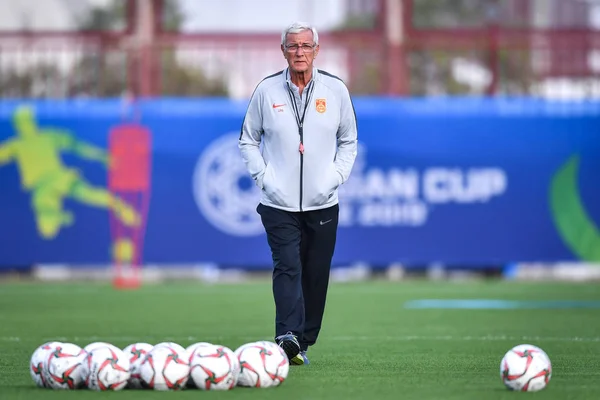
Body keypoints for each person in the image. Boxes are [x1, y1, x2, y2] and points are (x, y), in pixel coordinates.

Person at [238, 21, 358, 365]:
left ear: (316, 51)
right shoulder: (266, 91)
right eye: (293, 46)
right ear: (283, 51)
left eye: (306, 46)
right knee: (287, 266)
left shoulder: (335, 91)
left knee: (316, 272)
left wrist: (335, 177)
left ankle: (303, 341)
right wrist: (264, 178)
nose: (299, 52)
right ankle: (286, 335)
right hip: (278, 203)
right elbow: (248, 139)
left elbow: (348, 140)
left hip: (323, 202)